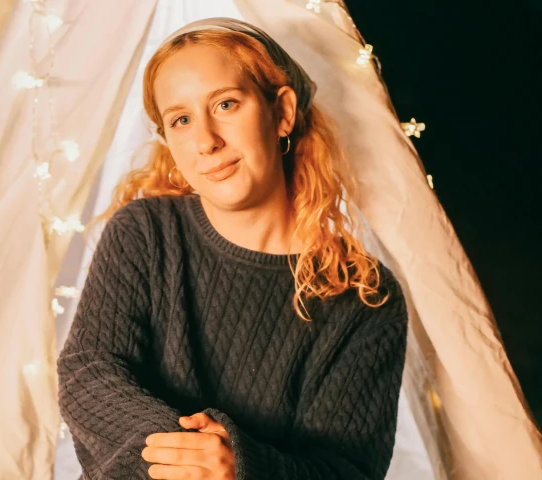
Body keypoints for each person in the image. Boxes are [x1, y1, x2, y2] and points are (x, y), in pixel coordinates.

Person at [57, 17, 408, 480]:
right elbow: (88, 373)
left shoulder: (364, 296)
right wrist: (192, 459)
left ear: (281, 112)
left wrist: (240, 468)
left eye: (226, 104)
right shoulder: (144, 233)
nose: (206, 140)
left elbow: (348, 471)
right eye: (181, 120)